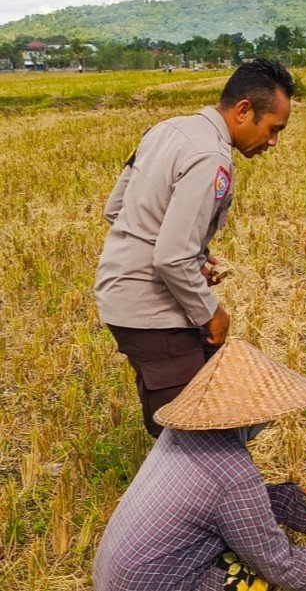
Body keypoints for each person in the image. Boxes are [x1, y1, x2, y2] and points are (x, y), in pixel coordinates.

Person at [93, 339, 306, 591]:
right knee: (252, 575)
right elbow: (284, 568)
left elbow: (221, 507)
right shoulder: (233, 474)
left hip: (117, 580)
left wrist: (296, 498)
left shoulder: (179, 433)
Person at [94, 59, 294, 437]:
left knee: (196, 417)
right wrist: (211, 313)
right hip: (152, 311)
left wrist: (195, 257)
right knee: (194, 436)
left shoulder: (164, 130)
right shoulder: (210, 157)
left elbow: (116, 210)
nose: (273, 142)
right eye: (273, 129)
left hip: (120, 298)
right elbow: (171, 256)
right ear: (244, 110)